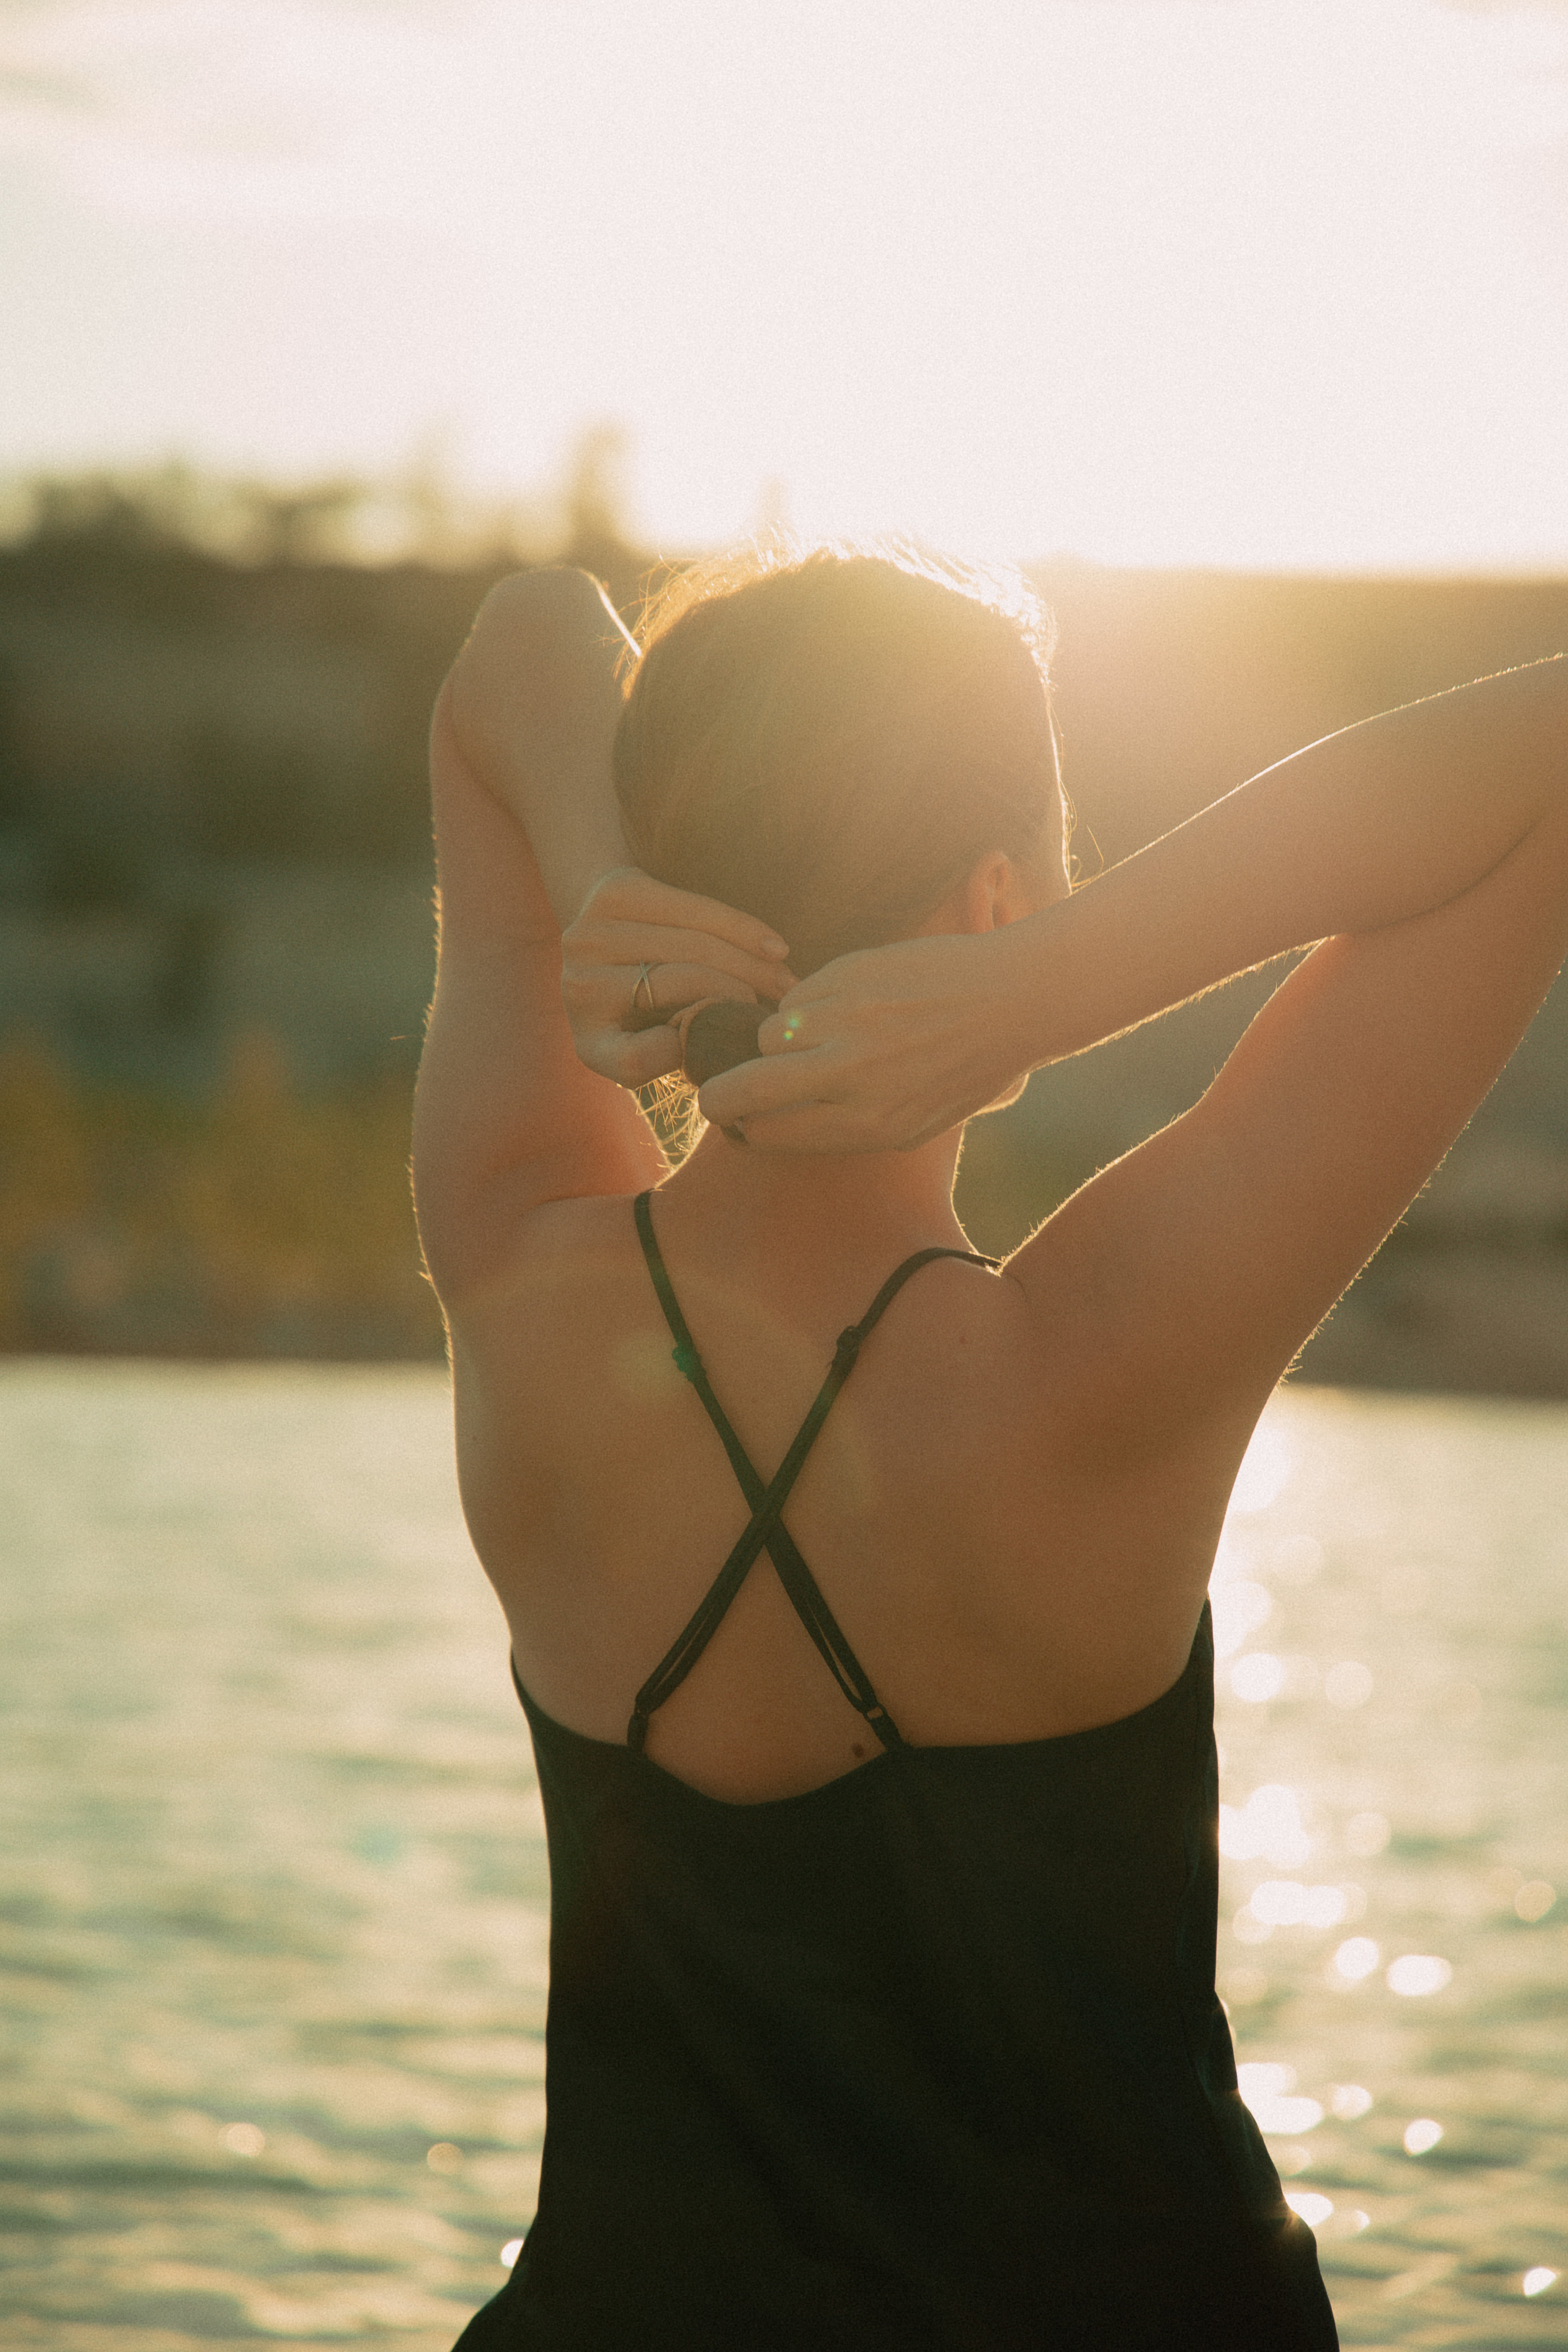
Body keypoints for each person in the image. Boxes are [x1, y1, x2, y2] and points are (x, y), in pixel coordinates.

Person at [413, 542, 1568, 2351]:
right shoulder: (1104, 1364)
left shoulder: (516, 1261)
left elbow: (517, 646)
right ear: (1001, 891)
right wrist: (1062, 976)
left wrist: (597, 880)